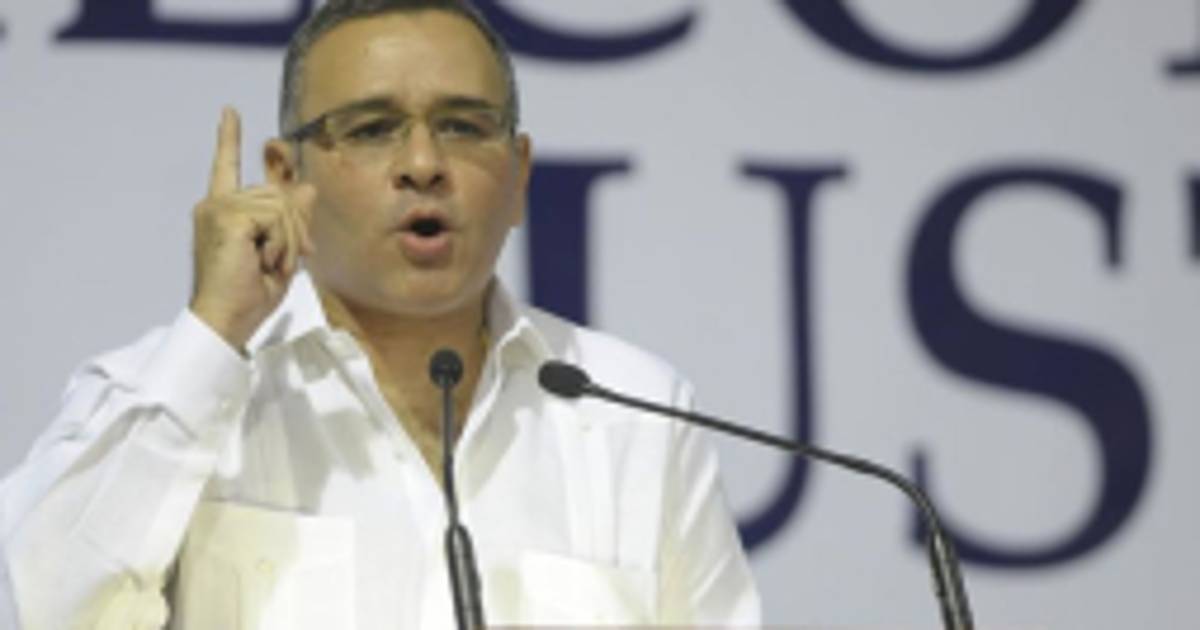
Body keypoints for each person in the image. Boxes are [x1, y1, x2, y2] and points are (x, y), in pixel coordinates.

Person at [0, 0, 760, 627]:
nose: (423, 164)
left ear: (519, 174)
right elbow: (40, 610)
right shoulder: (162, 394)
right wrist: (213, 334)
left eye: (463, 126)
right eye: (371, 129)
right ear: (284, 176)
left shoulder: (636, 414)